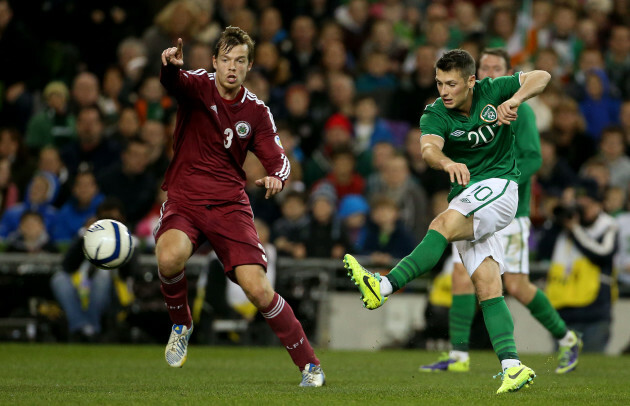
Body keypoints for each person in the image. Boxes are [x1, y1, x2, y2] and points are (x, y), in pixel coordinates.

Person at [343, 49, 551, 394]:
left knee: (440, 225)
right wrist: (444, 162)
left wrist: (514, 100)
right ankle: (512, 366)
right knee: (488, 286)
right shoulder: (435, 113)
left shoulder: (492, 90)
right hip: (468, 197)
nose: (444, 90)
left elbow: (540, 75)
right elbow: (428, 149)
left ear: (471, 81)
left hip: (500, 186)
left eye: (452, 83)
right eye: (439, 83)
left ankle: (383, 287)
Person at [157, 26, 324, 386]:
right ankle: (181, 323)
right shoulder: (197, 85)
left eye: (241, 61)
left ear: (249, 67)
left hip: (229, 205)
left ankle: (310, 365)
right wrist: (169, 67)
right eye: (227, 59)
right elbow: (174, 82)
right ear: (214, 61)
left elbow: (279, 159)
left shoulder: (257, 111)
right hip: (185, 198)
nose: (233, 67)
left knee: (259, 290)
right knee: (169, 257)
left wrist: (277, 177)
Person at [420, 48, 582, 375]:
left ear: (509, 71)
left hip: (511, 208)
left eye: (497, 66)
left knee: (518, 286)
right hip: (473, 202)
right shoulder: (465, 105)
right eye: (485, 66)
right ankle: (458, 354)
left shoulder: (517, 107)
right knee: (461, 277)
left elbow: (533, 158)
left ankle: (567, 338)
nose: (490, 70)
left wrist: (494, 179)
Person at [544, 178, 618, 352]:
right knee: (563, 367)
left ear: (599, 205)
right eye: (579, 204)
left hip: (594, 311)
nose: (583, 210)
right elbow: (543, 250)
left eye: (588, 205)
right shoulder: (564, 226)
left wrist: (575, 229)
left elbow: (602, 254)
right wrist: (556, 220)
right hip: (563, 309)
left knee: (593, 369)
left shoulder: (607, 226)